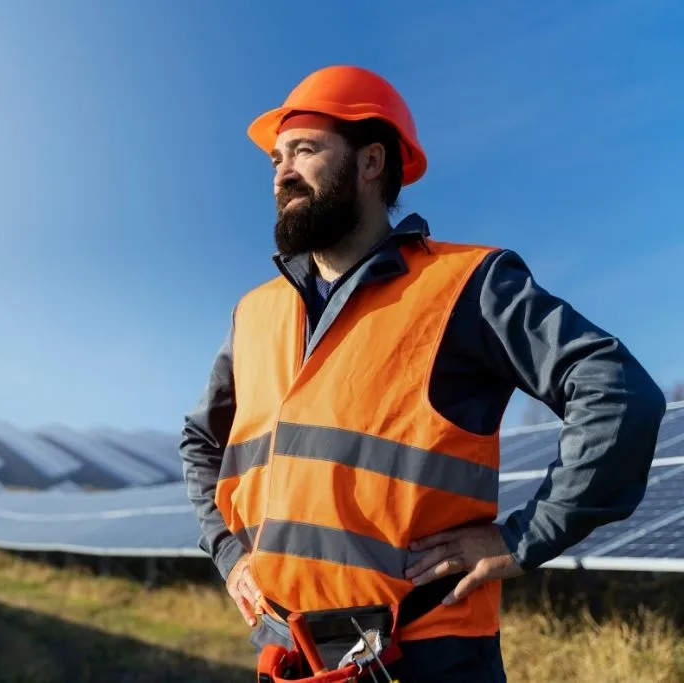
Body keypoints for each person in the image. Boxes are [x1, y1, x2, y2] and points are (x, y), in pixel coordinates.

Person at [178, 64, 667, 682]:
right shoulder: (255, 312)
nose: (281, 172)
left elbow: (617, 391)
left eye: (304, 150)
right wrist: (229, 555)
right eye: (276, 158)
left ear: (371, 161)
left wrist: (524, 537)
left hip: (426, 656)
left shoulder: (466, 285)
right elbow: (201, 442)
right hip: (288, 655)